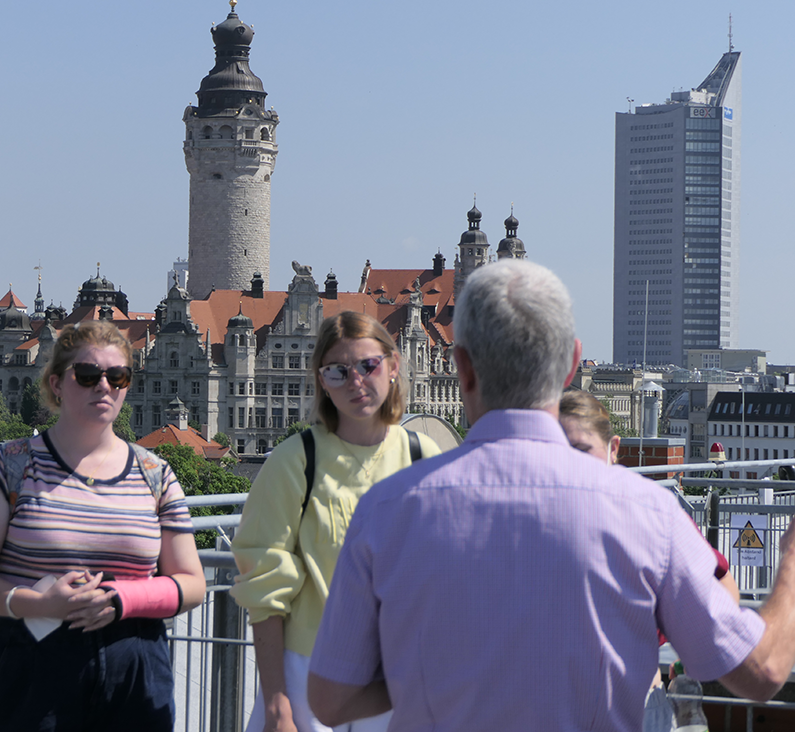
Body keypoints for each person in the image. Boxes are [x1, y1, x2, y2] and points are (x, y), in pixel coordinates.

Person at [308, 260, 795, 731]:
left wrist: (443, 677)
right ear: (572, 365)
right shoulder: (646, 512)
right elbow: (761, 672)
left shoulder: (387, 509)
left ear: (462, 368)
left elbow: (332, 698)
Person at [0, 321, 206, 731]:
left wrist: (121, 597)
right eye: (87, 376)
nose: (103, 387)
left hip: (133, 660)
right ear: (56, 383)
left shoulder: (155, 473)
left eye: (117, 376)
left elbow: (192, 582)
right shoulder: (11, 465)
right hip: (34, 659)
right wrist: (40, 604)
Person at [231, 312, 441, 732]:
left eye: (368, 365)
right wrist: (276, 702)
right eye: (337, 371)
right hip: (309, 674)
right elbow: (264, 592)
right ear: (322, 382)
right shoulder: (295, 459)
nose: (356, 381)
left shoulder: (424, 456)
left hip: (398, 677)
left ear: (394, 366)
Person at [558, 389, 740, 732]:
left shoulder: (648, 515)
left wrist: (692, 654)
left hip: (632, 708)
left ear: (614, 449)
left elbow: (721, 588)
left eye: (582, 451)